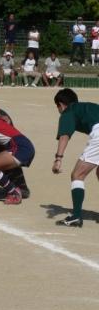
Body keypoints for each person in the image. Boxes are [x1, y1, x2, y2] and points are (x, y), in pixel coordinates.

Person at [52, 88, 99, 227]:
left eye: (57, 107)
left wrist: (58, 159)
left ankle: (76, 216)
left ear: (61, 104)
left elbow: (64, 136)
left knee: (77, 175)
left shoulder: (68, 111)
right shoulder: (88, 106)